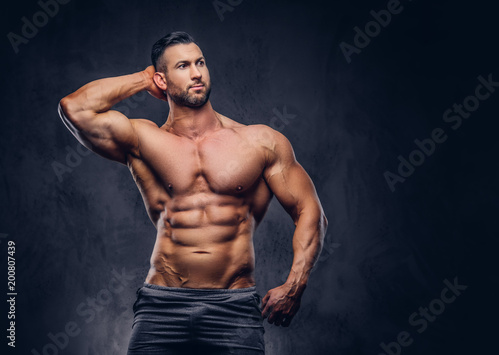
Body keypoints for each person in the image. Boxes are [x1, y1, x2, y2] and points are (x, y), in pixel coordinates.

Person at [58, 31, 328, 354]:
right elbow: (74, 108)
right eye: (183, 66)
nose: (197, 73)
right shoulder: (143, 140)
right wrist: (143, 79)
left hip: (234, 309)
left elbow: (310, 211)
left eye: (200, 62)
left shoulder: (259, 142)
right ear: (162, 79)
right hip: (161, 307)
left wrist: (295, 284)